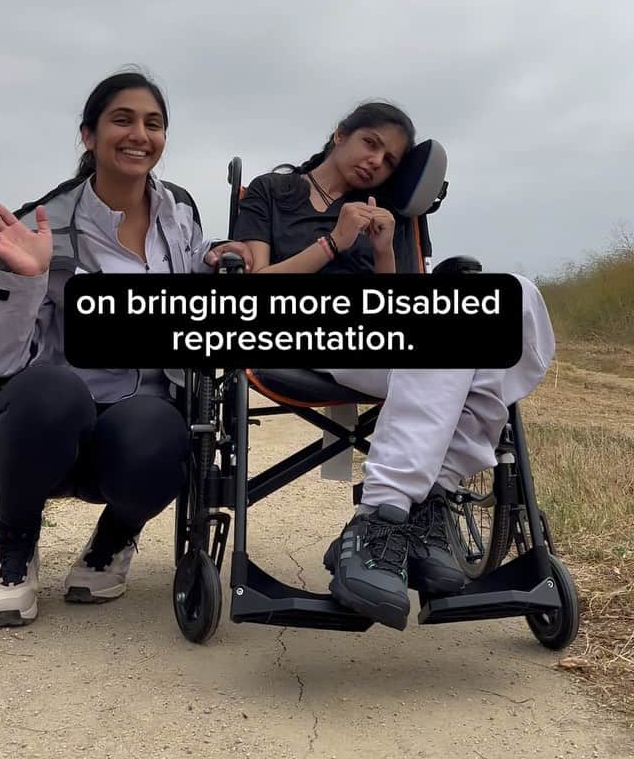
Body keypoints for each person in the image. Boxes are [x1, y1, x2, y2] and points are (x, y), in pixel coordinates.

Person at [233, 100, 555, 631]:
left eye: (388, 160)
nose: (375, 163)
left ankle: (413, 506)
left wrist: (383, 252)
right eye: (371, 144)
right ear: (340, 135)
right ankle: (388, 513)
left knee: (512, 296)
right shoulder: (274, 192)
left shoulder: (389, 210)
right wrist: (334, 242)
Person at [0, 69, 252, 628]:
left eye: (154, 124)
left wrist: (216, 260)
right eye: (122, 120)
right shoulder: (42, 225)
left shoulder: (180, 213)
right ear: (89, 135)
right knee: (53, 388)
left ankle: (113, 540)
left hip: (134, 428)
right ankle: (14, 546)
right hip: (40, 429)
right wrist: (24, 279)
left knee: (164, 424)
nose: (139, 134)